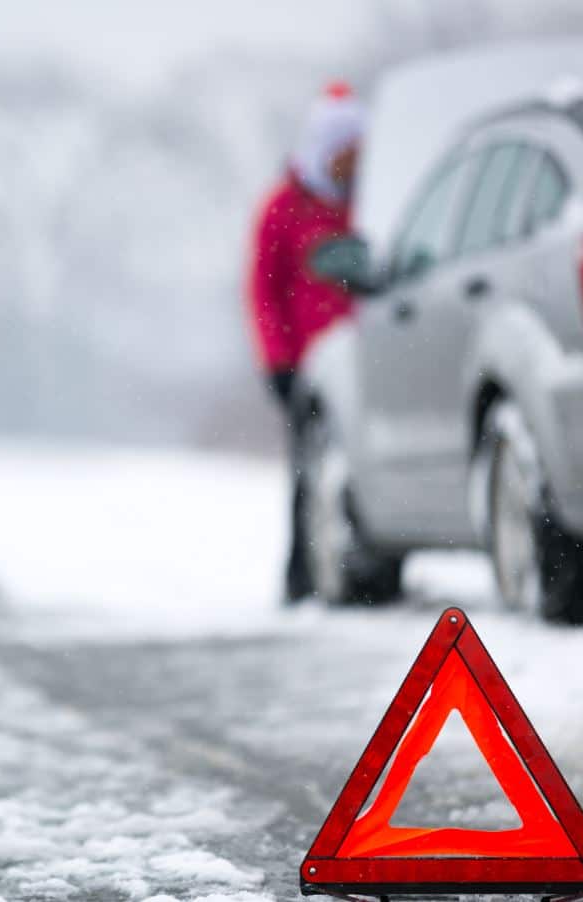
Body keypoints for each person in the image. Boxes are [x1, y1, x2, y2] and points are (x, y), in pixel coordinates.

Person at [246, 81, 365, 603]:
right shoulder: (283, 208)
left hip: (364, 361)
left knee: (359, 464)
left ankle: (364, 572)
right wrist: (279, 363)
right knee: (309, 470)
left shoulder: (367, 203)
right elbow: (263, 290)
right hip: (308, 367)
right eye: (344, 153)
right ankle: (303, 577)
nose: (351, 164)